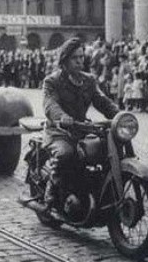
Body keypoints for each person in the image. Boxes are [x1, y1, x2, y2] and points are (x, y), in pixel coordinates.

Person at [41, 38, 119, 209]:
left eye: (81, 57)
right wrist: (61, 117)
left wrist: (119, 114)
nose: (79, 61)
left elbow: (102, 101)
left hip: (82, 130)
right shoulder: (52, 81)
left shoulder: (89, 80)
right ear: (65, 60)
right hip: (59, 132)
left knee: (106, 149)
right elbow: (49, 104)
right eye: (75, 58)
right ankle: (51, 190)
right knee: (65, 154)